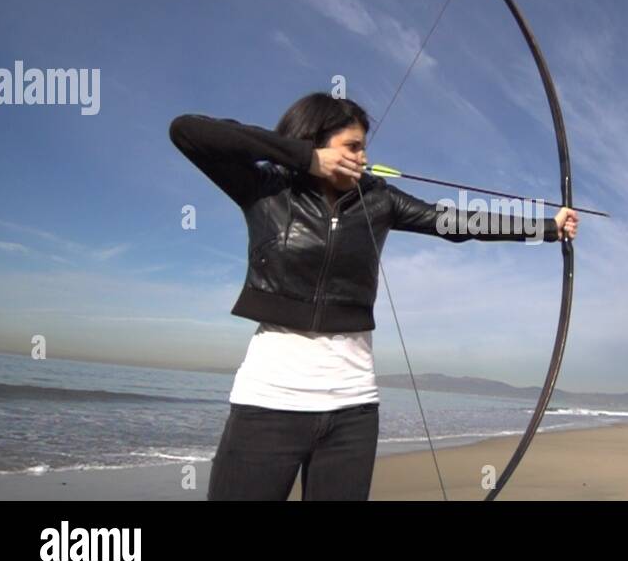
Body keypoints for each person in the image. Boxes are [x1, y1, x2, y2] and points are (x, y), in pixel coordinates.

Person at [168, 92, 578, 500]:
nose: (362, 158)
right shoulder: (266, 188)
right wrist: (304, 159)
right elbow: (188, 131)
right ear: (315, 141)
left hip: (353, 410)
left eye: (364, 148)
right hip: (269, 403)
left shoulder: (379, 199)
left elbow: (453, 221)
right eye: (352, 147)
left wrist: (545, 227)